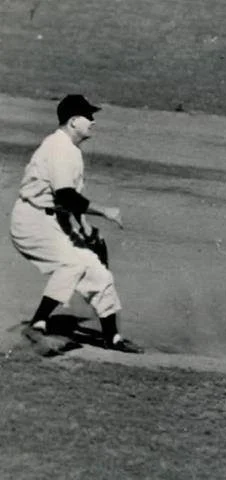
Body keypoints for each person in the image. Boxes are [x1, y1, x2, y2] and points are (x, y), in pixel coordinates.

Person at [10, 94, 143, 354]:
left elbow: (70, 198)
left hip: (52, 219)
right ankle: (37, 324)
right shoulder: (59, 149)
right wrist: (104, 211)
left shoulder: (71, 149)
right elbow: (65, 196)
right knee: (72, 264)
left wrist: (84, 227)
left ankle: (112, 337)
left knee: (98, 272)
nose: (93, 121)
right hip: (31, 220)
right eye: (88, 116)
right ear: (73, 122)